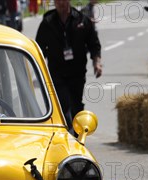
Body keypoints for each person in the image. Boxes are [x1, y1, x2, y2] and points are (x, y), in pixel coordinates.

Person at [35, 0, 101, 128]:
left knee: (76, 104)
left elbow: (94, 44)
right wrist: (38, 70)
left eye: (64, 0)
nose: (61, 3)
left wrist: (96, 63)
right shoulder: (48, 22)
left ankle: (79, 134)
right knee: (63, 104)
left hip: (77, 72)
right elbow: (40, 48)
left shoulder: (81, 20)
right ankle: (68, 134)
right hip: (57, 72)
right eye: (58, 1)